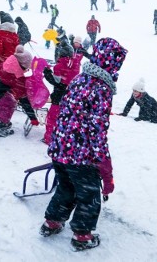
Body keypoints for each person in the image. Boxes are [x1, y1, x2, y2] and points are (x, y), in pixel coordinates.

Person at [40, 38, 127, 251]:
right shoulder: (101, 88)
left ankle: (52, 222)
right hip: (80, 154)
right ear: (112, 63)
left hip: (60, 147)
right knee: (88, 195)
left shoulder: (81, 78)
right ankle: (82, 235)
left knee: (66, 187)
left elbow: (67, 112)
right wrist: (103, 159)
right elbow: (97, 129)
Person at [0, 45, 39, 137]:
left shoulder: (9, 63)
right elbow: (23, 98)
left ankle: (3, 121)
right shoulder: (16, 77)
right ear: (23, 65)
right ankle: (0, 127)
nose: (27, 70)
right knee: (10, 104)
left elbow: (13, 80)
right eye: (27, 68)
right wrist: (32, 117)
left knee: (10, 99)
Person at [42, 36, 84, 144]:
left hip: (59, 95)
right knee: (64, 117)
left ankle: (49, 138)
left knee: (52, 117)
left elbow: (57, 82)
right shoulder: (75, 62)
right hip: (71, 94)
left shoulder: (59, 66)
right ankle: (62, 135)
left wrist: (47, 73)